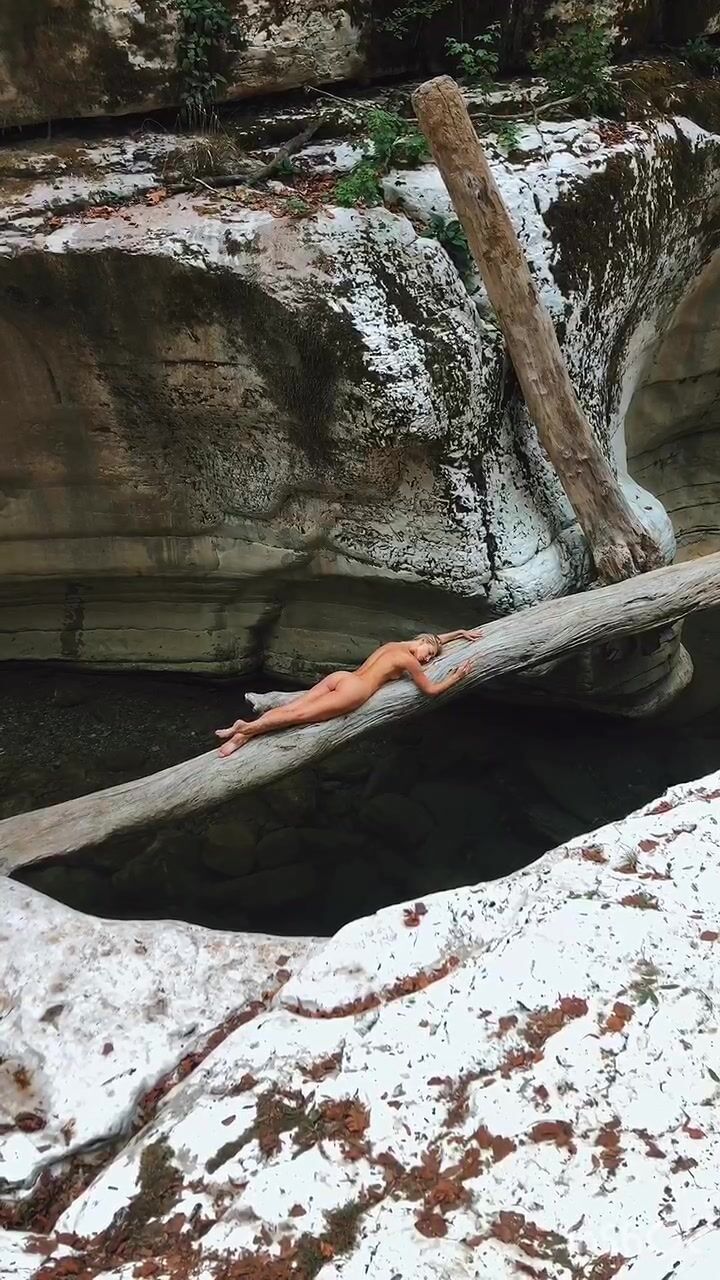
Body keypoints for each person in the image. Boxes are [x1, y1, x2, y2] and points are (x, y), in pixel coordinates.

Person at [215, 629, 481, 758]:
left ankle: (241, 736)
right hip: (354, 692)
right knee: (298, 715)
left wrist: (458, 633)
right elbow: (431, 691)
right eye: (429, 653)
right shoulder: (408, 660)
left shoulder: (397, 645)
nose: (427, 659)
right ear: (421, 642)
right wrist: (456, 677)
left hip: (342, 677)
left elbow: (434, 639)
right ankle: (246, 728)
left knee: (293, 707)